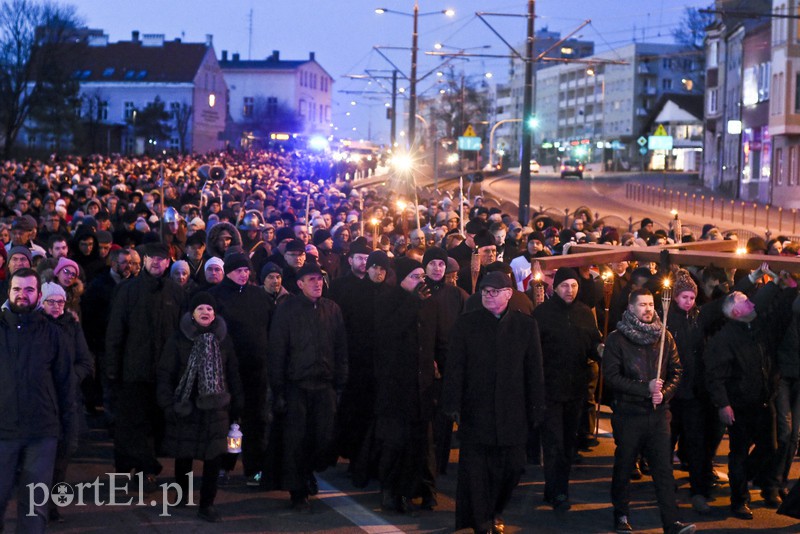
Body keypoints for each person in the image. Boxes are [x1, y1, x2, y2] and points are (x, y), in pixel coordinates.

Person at [442, 271, 545, 534]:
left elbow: (534, 370)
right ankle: (482, 521)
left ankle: (495, 509)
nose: (489, 295)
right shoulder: (467, 324)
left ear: (509, 294)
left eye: (495, 291)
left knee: (512, 468)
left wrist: (536, 406)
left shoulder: (525, 325)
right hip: (477, 410)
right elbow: (455, 367)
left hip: (513, 411)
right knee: (477, 472)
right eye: (485, 291)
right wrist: (452, 403)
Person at [705, 267, 794, 518]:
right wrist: (723, 404)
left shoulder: (756, 326)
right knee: (739, 453)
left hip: (764, 401)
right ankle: (739, 500)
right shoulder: (724, 340)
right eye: (745, 303)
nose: (751, 304)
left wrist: (781, 283)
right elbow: (715, 376)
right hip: (740, 404)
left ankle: (747, 477)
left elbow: (771, 304)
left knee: (771, 447)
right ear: (735, 312)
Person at [603, 288, 694, 534]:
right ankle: (621, 514)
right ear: (631, 308)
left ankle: (671, 522)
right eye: (642, 305)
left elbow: (676, 371)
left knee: (663, 469)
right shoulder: (617, 339)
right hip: (629, 413)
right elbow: (611, 377)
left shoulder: (663, 336)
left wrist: (664, 393)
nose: (648, 309)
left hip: (658, 414)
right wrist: (645, 388)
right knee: (624, 465)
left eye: (651, 304)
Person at [157, 292, 244, 523]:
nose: (205, 312)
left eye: (209, 309)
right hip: (187, 404)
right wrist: (167, 403)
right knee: (184, 454)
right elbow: (166, 373)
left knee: (214, 457)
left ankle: (207, 504)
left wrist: (236, 402)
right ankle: (183, 494)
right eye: (200, 309)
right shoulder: (179, 339)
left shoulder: (223, 339)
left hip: (216, 408)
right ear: (192, 314)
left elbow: (232, 372)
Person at [105, 242, 185, 490]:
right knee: (133, 424)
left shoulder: (176, 292)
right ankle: (138, 470)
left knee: (156, 424)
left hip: (164, 372)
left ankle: (145, 470)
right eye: (152, 258)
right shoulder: (128, 290)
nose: (157, 263)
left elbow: (182, 334)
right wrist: (112, 369)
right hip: (134, 370)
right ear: (144, 260)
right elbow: (116, 331)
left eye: (162, 259)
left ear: (168, 262)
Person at [0, 268, 74, 533]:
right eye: (17, 289)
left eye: (29, 289)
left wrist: (69, 431)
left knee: (33, 508)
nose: (23, 294)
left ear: (39, 295)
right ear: (8, 292)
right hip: (2, 431)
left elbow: (66, 386)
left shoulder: (54, 335)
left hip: (41, 432)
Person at [269, 262, 348, 511]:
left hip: (324, 385)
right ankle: (298, 489)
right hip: (296, 386)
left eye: (320, 279)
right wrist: (278, 389)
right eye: (311, 279)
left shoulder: (332, 309)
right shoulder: (287, 309)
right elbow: (277, 350)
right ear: (300, 283)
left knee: (322, 437)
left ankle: (308, 471)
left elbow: (340, 347)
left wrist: (340, 383)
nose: (317, 283)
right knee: (296, 440)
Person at [533, 267, 601, 511]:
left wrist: (603, 351)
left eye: (573, 285)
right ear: (555, 287)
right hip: (550, 390)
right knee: (553, 443)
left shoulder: (584, 313)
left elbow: (593, 342)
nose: (569, 290)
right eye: (564, 286)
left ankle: (558, 487)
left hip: (576, 389)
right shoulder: (541, 314)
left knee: (568, 442)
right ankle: (557, 490)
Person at [374, 257, 438, 513]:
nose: (421, 281)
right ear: (400, 279)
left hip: (421, 386)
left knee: (419, 443)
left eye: (422, 276)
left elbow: (434, 338)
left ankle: (416, 490)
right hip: (395, 387)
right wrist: (412, 303)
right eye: (414, 277)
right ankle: (390, 490)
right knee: (394, 442)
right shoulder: (387, 300)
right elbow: (388, 334)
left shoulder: (428, 302)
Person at [208, 253, 272, 487]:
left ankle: (254, 469)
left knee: (256, 421)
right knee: (228, 421)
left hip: (257, 368)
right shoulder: (217, 296)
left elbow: (270, 326)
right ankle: (225, 465)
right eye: (238, 271)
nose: (243, 275)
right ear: (228, 272)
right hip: (227, 369)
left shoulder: (259, 296)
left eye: (246, 271)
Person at [39, 282, 94, 523]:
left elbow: (85, 360)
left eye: (60, 302)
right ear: (42, 302)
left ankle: (51, 504)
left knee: (63, 455)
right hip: (41, 398)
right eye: (51, 301)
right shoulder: (36, 325)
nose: (56, 306)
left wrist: (70, 378)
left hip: (68, 399)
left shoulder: (71, 325)